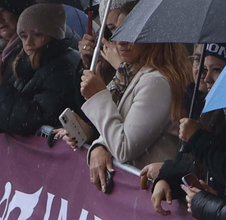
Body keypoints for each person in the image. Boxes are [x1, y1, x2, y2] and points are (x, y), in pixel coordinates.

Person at [75, 38, 193, 184]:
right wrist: (101, 145)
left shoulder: (156, 82)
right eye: (119, 34)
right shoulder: (134, 74)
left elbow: (124, 148)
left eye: (132, 37)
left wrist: (98, 96)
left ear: (152, 40)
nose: (120, 42)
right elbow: (124, 124)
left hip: (149, 190)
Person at [0, 1, 82, 137]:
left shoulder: (62, 67)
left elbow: (28, 120)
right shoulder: (22, 64)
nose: (28, 42)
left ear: (53, 35)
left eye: (37, 35)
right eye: (23, 36)